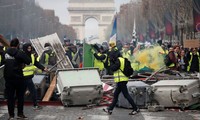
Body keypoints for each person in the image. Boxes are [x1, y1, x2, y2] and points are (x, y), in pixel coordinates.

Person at [103, 51, 139, 115]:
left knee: (126, 95)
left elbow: (113, 68)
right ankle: (110, 109)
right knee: (116, 95)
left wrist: (111, 62)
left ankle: (135, 108)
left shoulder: (119, 60)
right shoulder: (122, 59)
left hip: (121, 80)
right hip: (121, 80)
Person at [3, 38, 31, 120]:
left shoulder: (5, 53)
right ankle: (20, 114)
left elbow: (3, 62)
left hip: (8, 78)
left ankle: (11, 115)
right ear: (18, 45)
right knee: (20, 97)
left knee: (10, 97)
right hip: (18, 78)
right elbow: (28, 61)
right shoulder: (20, 53)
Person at [22, 43, 48, 110]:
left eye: (30, 48)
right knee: (32, 91)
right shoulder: (22, 56)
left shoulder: (32, 56)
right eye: (28, 48)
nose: (29, 50)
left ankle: (18, 103)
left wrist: (43, 68)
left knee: (23, 91)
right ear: (25, 49)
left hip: (29, 76)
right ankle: (35, 104)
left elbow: (36, 63)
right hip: (23, 76)